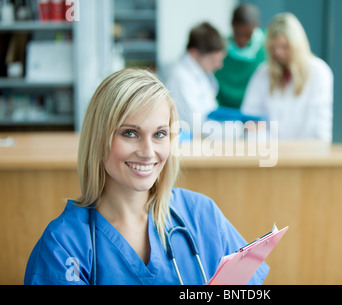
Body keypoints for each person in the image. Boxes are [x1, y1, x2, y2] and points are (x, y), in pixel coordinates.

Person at [24, 68, 269, 285]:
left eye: (160, 134)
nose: (148, 152)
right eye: (130, 133)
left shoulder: (200, 214)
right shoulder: (64, 244)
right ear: (98, 139)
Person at [241, 13, 334, 142]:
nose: (279, 53)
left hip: (306, 155)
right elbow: (250, 119)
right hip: (268, 156)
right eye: (274, 48)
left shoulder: (319, 72)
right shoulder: (263, 73)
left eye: (284, 47)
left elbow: (319, 125)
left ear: (297, 45)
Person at [165, 22, 226, 136]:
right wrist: (236, 130)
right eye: (213, 59)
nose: (219, 65)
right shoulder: (180, 77)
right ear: (194, 53)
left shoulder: (203, 75)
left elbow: (211, 111)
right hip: (188, 144)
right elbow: (196, 126)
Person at [215, 3, 266, 110]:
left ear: (256, 26)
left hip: (254, 116)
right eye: (238, 33)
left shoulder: (266, 49)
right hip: (222, 115)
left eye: (248, 34)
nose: (242, 40)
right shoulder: (218, 50)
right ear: (232, 24)